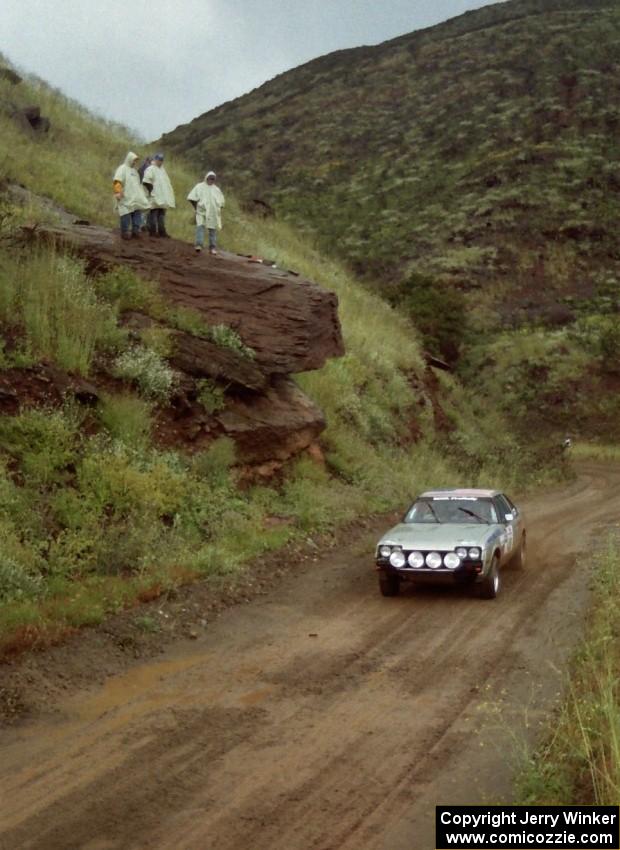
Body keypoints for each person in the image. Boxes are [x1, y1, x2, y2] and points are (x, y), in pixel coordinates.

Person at [113, 151, 150, 239]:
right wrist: (118, 192)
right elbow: (117, 181)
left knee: (137, 213)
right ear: (129, 159)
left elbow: (138, 184)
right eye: (134, 160)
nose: (135, 162)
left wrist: (142, 195)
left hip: (135, 198)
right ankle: (125, 232)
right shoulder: (122, 169)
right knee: (125, 215)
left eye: (136, 161)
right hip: (125, 197)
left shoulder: (134, 171)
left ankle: (135, 232)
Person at [187, 170, 225, 254]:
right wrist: (196, 207)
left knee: (212, 230)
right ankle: (199, 245)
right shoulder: (199, 186)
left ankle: (212, 247)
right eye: (210, 178)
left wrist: (218, 210)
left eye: (213, 179)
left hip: (213, 213)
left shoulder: (216, 190)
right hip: (201, 211)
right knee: (200, 227)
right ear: (206, 178)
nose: (211, 180)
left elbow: (222, 202)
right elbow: (191, 197)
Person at [142, 152, 175, 237]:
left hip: (163, 197)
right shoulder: (151, 169)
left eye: (161, 160)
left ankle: (162, 231)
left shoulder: (163, 170)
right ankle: (153, 232)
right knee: (154, 213)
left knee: (161, 215)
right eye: (159, 159)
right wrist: (151, 191)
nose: (160, 161)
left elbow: (167, 183)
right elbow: (146, 181)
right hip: (155, 196)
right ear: (155, 159)